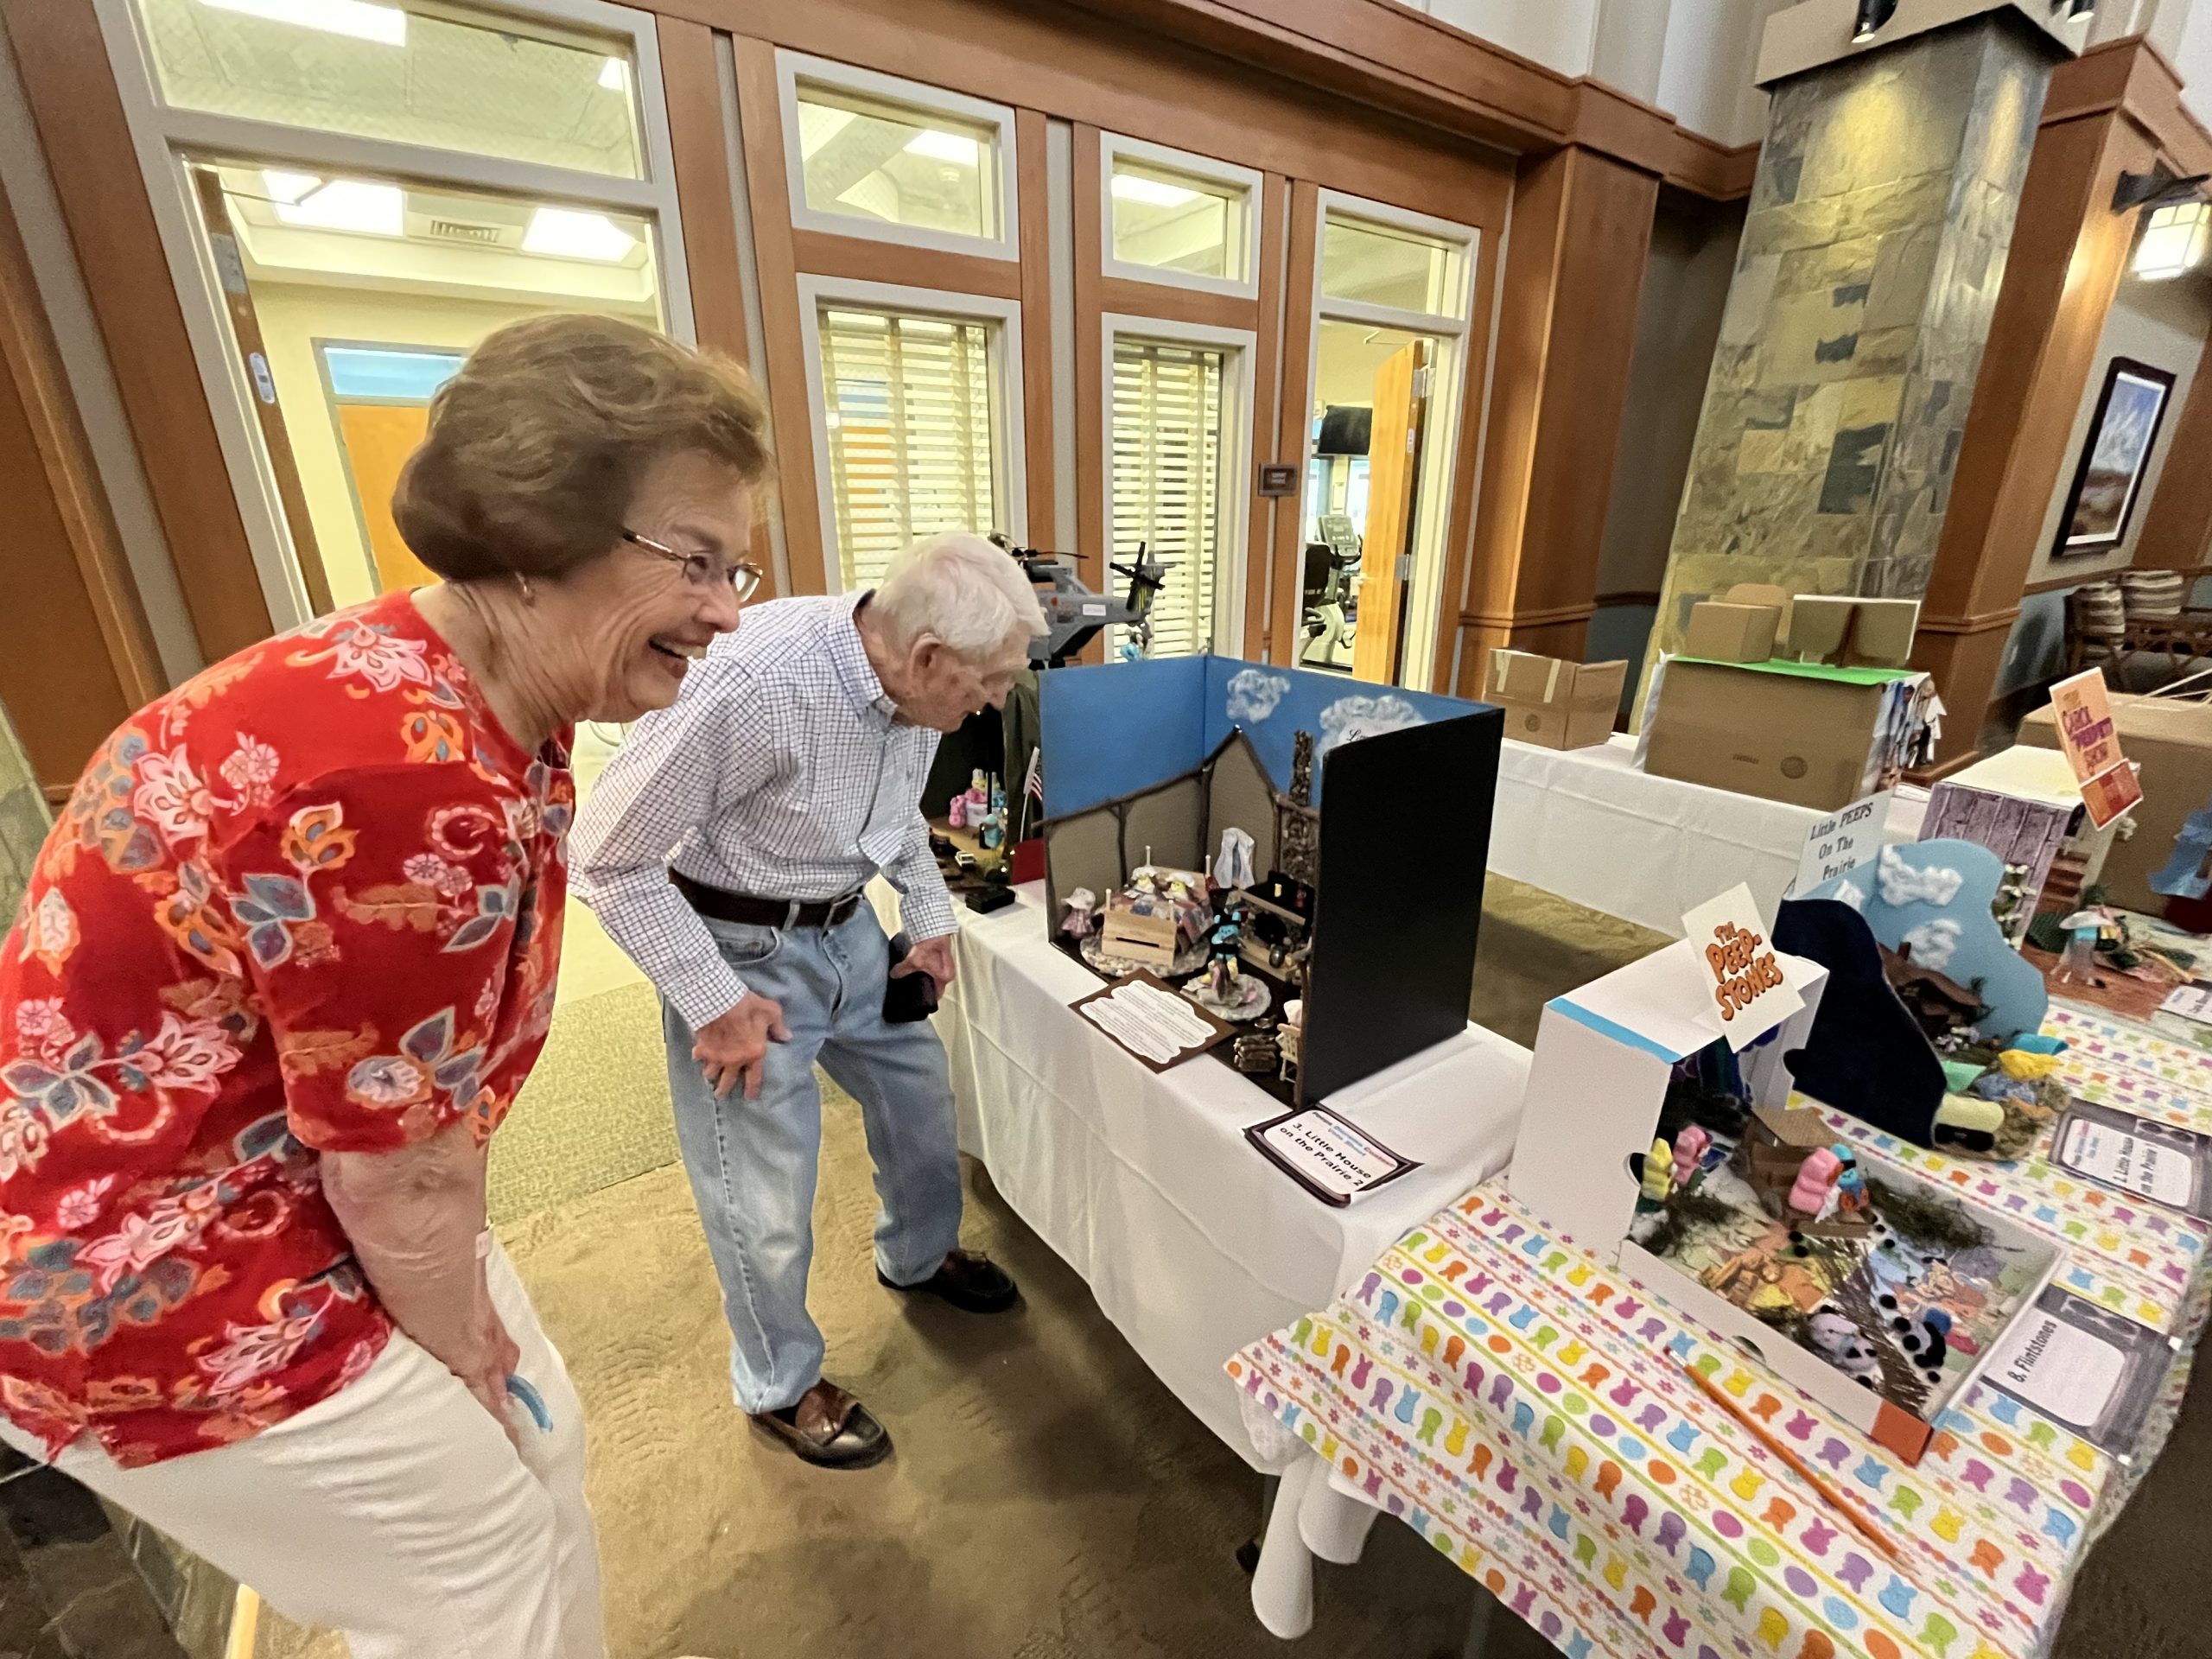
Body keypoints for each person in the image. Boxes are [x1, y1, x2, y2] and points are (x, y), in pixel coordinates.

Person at [0, 313, 770, 1658]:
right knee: (485, 1586)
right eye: (693, 561)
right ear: (536, 540)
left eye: (738, 567)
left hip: (272, 1182)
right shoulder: (404, 787)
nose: (725, 608)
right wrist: (455, 1347)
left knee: (543, 1449)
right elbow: (399, 1171)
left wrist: (468, 1331)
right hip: (159, 1268)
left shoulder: (459, 694)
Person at [572, 532, 1046, 1468]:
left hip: (849, 929)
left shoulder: (913, 693)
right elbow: (603, 857)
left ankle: (917, 1255)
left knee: (920, 1099)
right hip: (741, 953)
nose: (997, 701)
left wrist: (927, 914)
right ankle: (779, 1383)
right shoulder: (752, 684)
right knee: (764, 1191)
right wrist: (713, 1002)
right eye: (989, 681)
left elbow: (896, 816)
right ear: (926, 659)